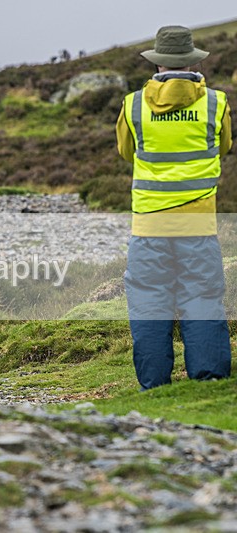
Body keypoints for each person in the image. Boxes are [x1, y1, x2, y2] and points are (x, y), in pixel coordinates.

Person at [116, 26, 232, 390]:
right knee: (202, 296)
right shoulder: (216, 102)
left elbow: (125, 151)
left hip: (148, 227)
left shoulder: (133, 104)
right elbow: (224, 146)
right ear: (193, 61)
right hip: (198, 224)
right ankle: (209, 380)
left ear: (158, 64)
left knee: (150, 301)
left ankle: (154, 386)